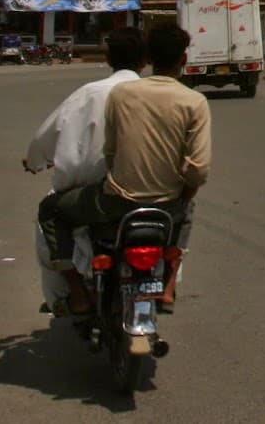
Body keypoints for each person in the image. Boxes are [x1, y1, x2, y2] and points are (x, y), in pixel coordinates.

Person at [38, 22, 211, 315]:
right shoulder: (195, 102)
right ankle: (168, 284)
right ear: (184, 58)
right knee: (187, 212)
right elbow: (199, 169)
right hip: (167, 206)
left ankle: (77, 292)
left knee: (50, 210)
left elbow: (110, 152)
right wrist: (180, 196)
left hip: (115, 202)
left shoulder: (123, 94)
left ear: (149, 58)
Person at [25, 27, 146, 309]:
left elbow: (43, 139)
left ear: (108, 59)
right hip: (154, 195)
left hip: (100, 197)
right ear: (145, 60)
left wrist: (34, 162)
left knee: (50, 211)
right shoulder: (157, 95)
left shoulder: (89, 94)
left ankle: (75, 291)